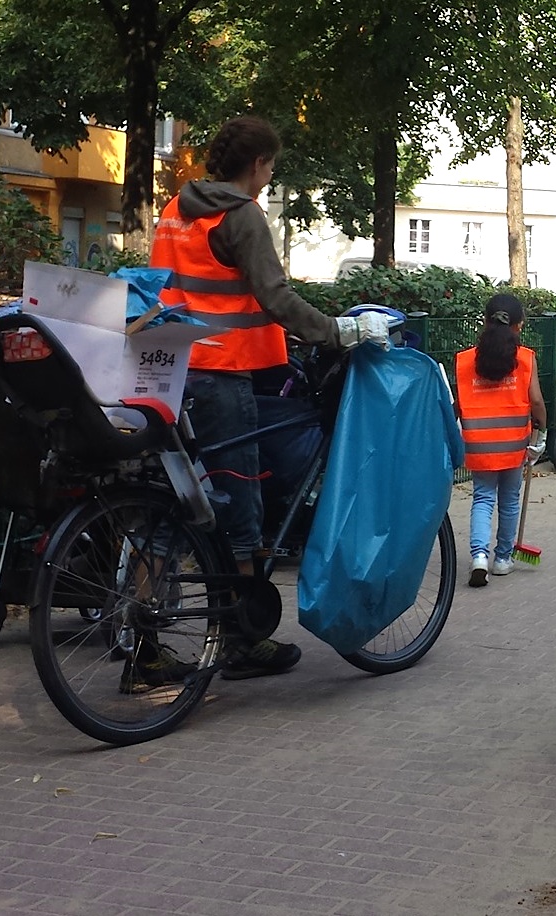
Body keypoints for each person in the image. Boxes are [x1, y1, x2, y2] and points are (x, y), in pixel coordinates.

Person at [149, 115, 388, 684]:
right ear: (256, 166)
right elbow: (275, 297)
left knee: (171, 505)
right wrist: (339, 332)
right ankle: (239, 641)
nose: (270, 174)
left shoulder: (174, 212)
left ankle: (142, 643)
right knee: (242, 504)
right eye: (271, 165)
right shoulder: (241, 215)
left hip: (166, 368)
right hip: (223, 372)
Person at [455, 294, 547, 587]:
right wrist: (540, 435)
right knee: (509, 501)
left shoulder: (466, 360)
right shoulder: (525, 358)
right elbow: (536, 402)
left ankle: (479, 556)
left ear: (484, 322)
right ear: (519, 326)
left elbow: (458, 404)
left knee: (482, 498)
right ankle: (503, 558)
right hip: (513, 444)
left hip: (478, 443)